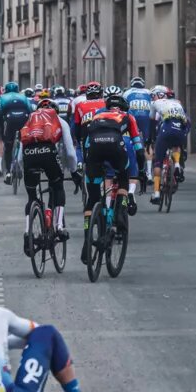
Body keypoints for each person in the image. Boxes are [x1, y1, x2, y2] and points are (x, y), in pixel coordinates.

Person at [80, 89, 141, 263]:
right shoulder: (127, 117)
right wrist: (142, 171)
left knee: (92, 199)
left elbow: (86, 143)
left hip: (94, 151)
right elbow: (139, 148)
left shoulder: (97, 116)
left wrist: (87, 164)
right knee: (123, 176)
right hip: (115, 146)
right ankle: (120, 212)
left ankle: (87, 241)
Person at [20, 97, 80, 255]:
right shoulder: (59, 120)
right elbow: (70, 153)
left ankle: (28, 233)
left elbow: (19, 156)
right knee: (58, 186)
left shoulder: (30, 121)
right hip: (48, 153)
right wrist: (74, 172)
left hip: (29, 155)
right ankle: (59, 227)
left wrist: (23, 169)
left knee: (32, 197)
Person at [149, 89, 190, 204]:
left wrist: (150, 139)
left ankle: (156, 193)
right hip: (180, 130)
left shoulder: (156, 103)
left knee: (158, 162)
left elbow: (152, 122)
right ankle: (177, 165)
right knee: (176, 145)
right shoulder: (178, 104)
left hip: (165, 130)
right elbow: (187, 122)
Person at [0, 82, 34, 184]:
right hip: (24, 118)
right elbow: (30, 110)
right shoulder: (23, 97)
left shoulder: (2, 97)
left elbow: (0, 114)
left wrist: (2, 132)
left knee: (8, 147)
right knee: (25, 143)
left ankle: (8, 172)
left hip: (10, 120)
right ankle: (26, 164)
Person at [124, 77, 154, 181]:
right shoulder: (148, 92)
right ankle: (149, 173)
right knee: (147, 145)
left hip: (133, 117)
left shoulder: (127, 92)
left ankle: (131, 163)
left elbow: (123, 106)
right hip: (146, 117)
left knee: (130, 139)